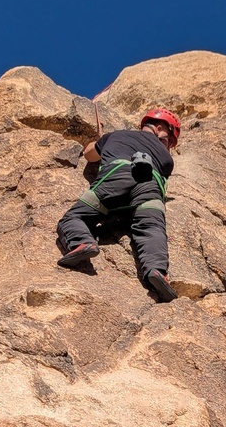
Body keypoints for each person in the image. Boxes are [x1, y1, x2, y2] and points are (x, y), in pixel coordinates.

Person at [56, 108, 181, 302]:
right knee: (152, 229)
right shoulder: (167, 160)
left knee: (74, 217)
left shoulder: (116, 136)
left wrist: (100, 142)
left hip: (116, 178)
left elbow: (89, 155)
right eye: (169, 141)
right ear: (158, 128)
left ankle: (83, 242)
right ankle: (157, 271)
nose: (169, 147)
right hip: (150, 187)